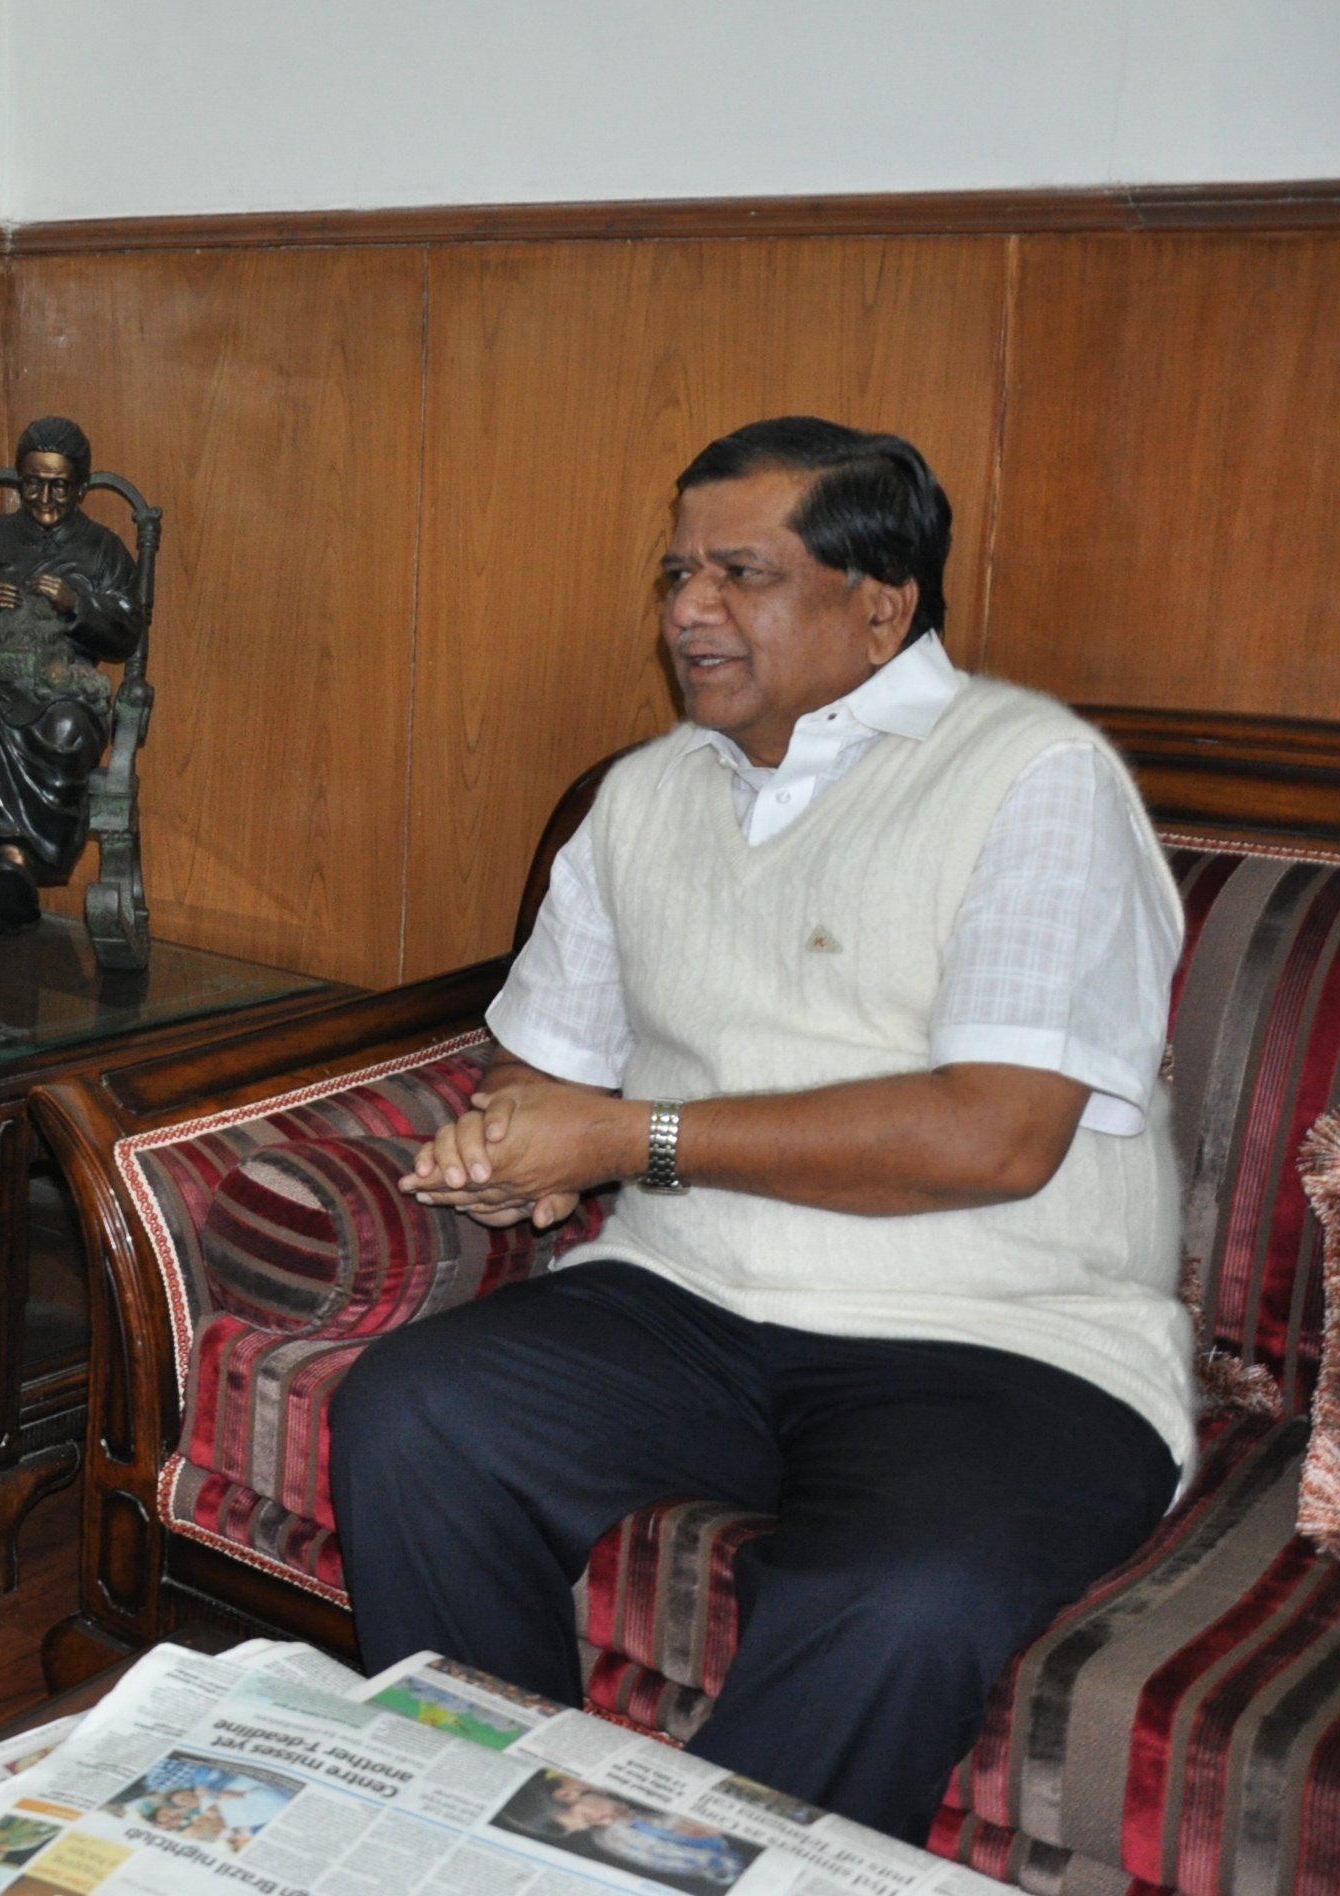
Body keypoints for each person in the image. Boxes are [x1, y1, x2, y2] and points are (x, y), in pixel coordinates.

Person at [327, 416, 1189, 1842]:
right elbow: (542, 1085)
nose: (687, 612)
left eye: (742, 573)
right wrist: (502, 1166)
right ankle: (485, 1843)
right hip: (689, 1300)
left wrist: (623, 1143)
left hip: (1007, 1338)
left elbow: (994, 1138)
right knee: (419, 1414)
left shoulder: (1032, 775)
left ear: (882, 604)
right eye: (676, 574)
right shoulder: (645, 796)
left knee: (897, 1595)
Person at [0, 416, 142, 931]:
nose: (44, 497)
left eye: (59, 486)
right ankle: (11, 867)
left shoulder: (103, 548)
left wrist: (81, 605)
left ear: (82, 487)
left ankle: (18, 866)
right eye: (31, 483)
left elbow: (126, 631)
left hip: (65, 685)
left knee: (68, 729)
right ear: (19, 479)